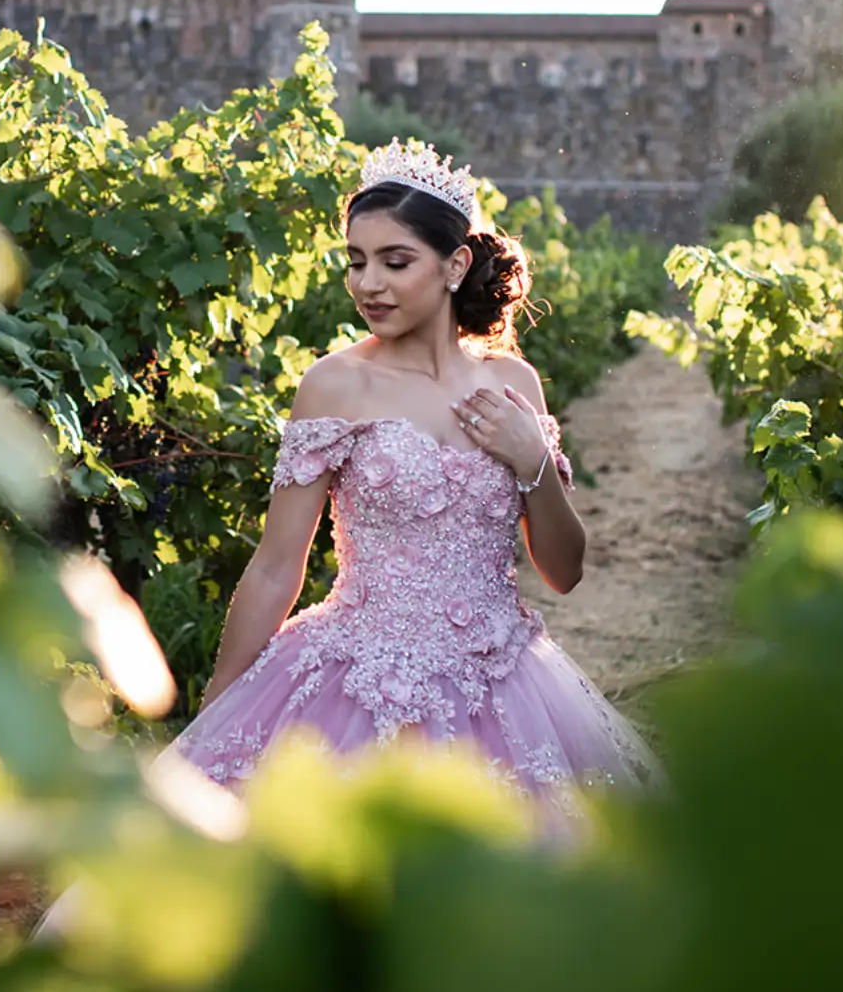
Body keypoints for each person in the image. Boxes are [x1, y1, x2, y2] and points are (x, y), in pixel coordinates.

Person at [166, 138, 659, 836]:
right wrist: (219, 712)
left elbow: (565, 570)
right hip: (356, 683)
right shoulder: (335, 384)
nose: (369, 284)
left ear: (456, 264)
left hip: (504, 683)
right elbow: (279, 565)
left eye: (396, 262)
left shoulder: (513, 384)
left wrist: (533, 463)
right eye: (357, 263)